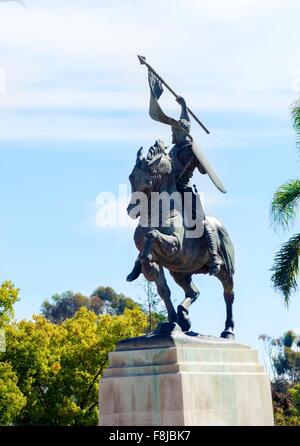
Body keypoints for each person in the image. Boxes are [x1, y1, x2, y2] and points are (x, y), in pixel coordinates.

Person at [126, 93, 223, 282]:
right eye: (172, 131)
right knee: (148, 218)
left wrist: (197, 156)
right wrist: (183, 107)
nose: (172, 134)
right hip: (168, 189)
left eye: (175, 131)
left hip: (184, 190)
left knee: (200, 222)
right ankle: (141, 259)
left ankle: (214, 256)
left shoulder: (188, 149)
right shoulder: (173, 150)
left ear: (181, 133)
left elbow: (204, 170)